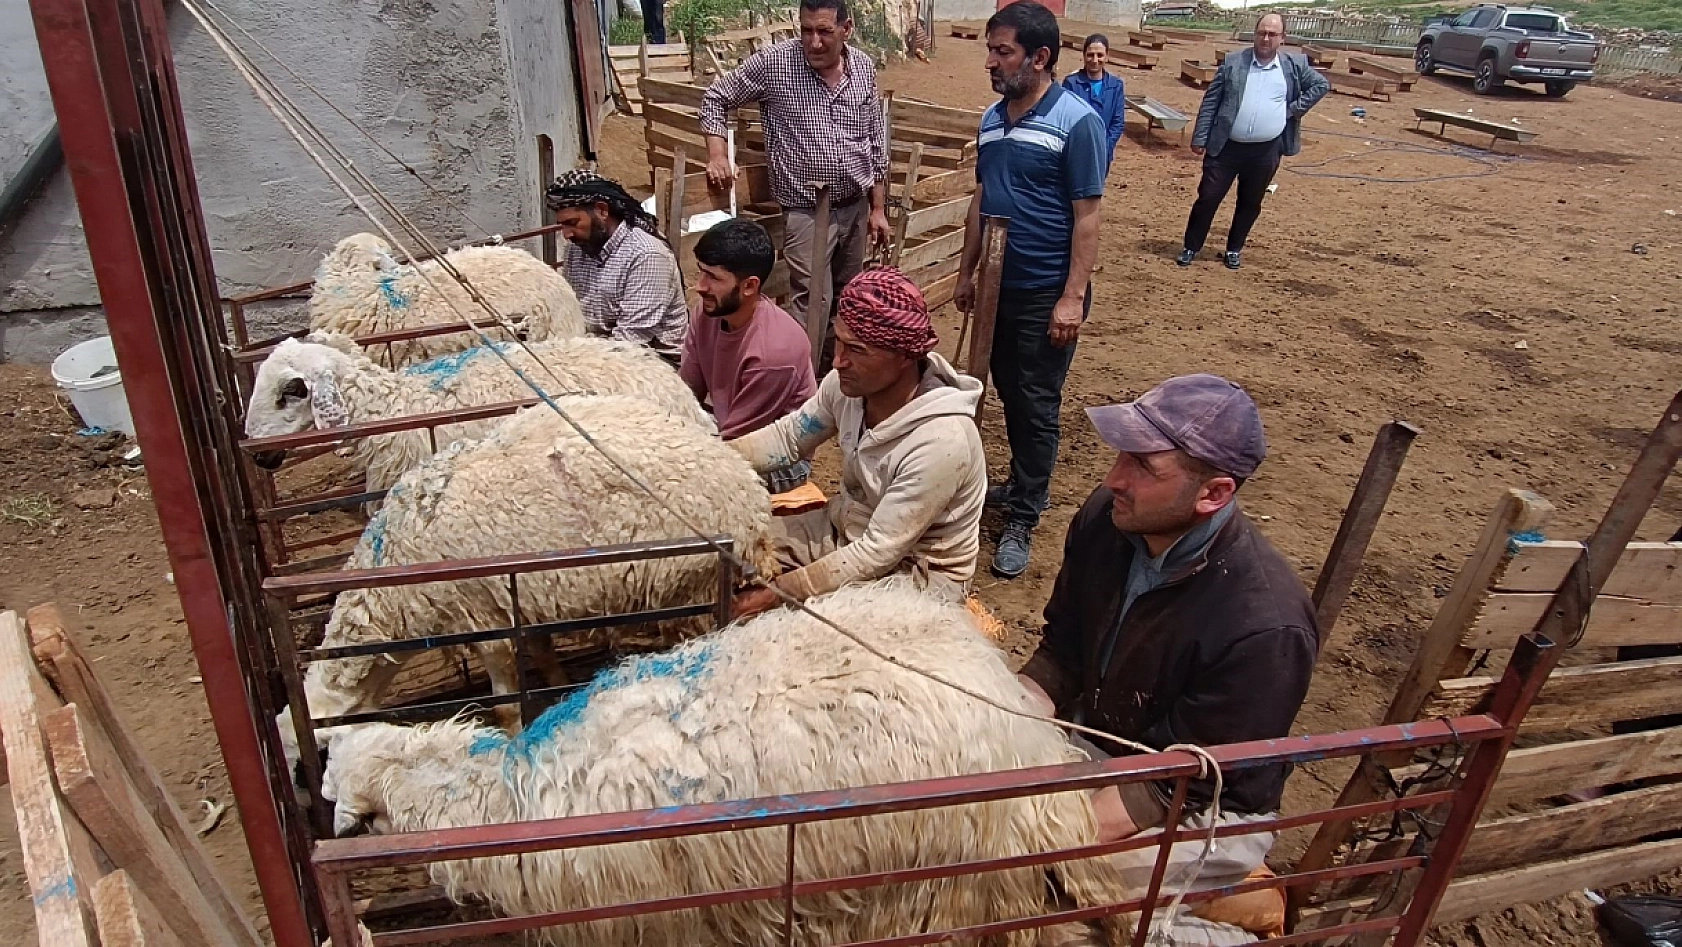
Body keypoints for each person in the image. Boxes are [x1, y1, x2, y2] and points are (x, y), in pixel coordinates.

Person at [1018, 375, 1319, 943]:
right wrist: (999, 719)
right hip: (1107, 742)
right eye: (1122, 456)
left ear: (1214, 494)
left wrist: (1049, 842)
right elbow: (1061, 653)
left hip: (1205, 802)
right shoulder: (1107, 520)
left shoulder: (1264, 624)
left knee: (1046, 895)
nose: (1114, 479)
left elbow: (1181, 782)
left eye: (1143, 467)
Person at [728, 268, 986, 617]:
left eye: (857, 349)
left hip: (916, 571)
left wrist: (777, 592)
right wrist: (712, 461)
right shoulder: (847, 386)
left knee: (806, 635)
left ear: (904, 355)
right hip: (843, 530)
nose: (838, 361)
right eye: (839, 341)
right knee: (726, 554)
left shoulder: (942, 441)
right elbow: (789, 438)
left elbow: (877, 552)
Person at [953, 0, 1105, 579]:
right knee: (995, 390)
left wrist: (1072, 296)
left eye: (1003, 52)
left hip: (1045, 290)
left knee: (1034, 403)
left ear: (1040, 58)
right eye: (990, 50)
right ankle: (1016, 486)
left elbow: (1086, 217)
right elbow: (980, 199)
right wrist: (968, 272)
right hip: (995, 287)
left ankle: (1023, 513)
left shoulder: (1077, 121)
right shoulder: (992, 120)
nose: (991, 62)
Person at [699, 0, 893, 372]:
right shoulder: (776, 63)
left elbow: (874, 140)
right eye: (806, 30)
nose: (814, 42)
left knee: (848, 297)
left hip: (854, 204)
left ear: (846, 29)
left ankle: (833, 377)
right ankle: (800, 384)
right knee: (813, 301)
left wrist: (878, 208)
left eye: (824, 31)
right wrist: (718, 154)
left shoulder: (863, 68)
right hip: (806, 209)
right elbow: (715, 98)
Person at [1176, 13, 1328, 270]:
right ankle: (1191, 246)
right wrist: (1200, 137)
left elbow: (1321, 85)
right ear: (1255, 34)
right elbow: (1211, 101)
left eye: (1272, 34)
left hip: (1266, 150)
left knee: (1250, 202)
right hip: (1226, 147)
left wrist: (1292, 110)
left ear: (1282, 38)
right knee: (1208, 198)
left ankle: (1234, 249)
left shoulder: (1293, 65)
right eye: (1262, 33)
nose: (1266, 38)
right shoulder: (1234, 62)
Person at [678, 218, 818, 493]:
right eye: (701, 272)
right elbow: (685, 393)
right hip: (726, 428)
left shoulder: (775, 353)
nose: (701, 286)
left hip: (777, 458)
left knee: (686, 488)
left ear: (749, 286)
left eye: (714, 278)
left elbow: (739, 441)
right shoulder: (707, 313)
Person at [548, 169, 689, 365]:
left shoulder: (646, 255)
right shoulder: (577, 250)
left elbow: (632, 339)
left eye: (572, 223)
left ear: (602, 210)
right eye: (562, 225)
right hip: (595, 352)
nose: (567, 234)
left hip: (653, 361)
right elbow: (574, 314)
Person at [1060, 34, 1127, 174]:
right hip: (1075, 154)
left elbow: (1117, 122)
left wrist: (1104, 148)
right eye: (1090, 55)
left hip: (1102, 155)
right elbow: (1064, 119)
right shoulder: (1072, 83)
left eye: (1100, 55)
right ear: (1083, 56)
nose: (1095, 60)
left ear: (1107, 56)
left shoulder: (1116, 86)